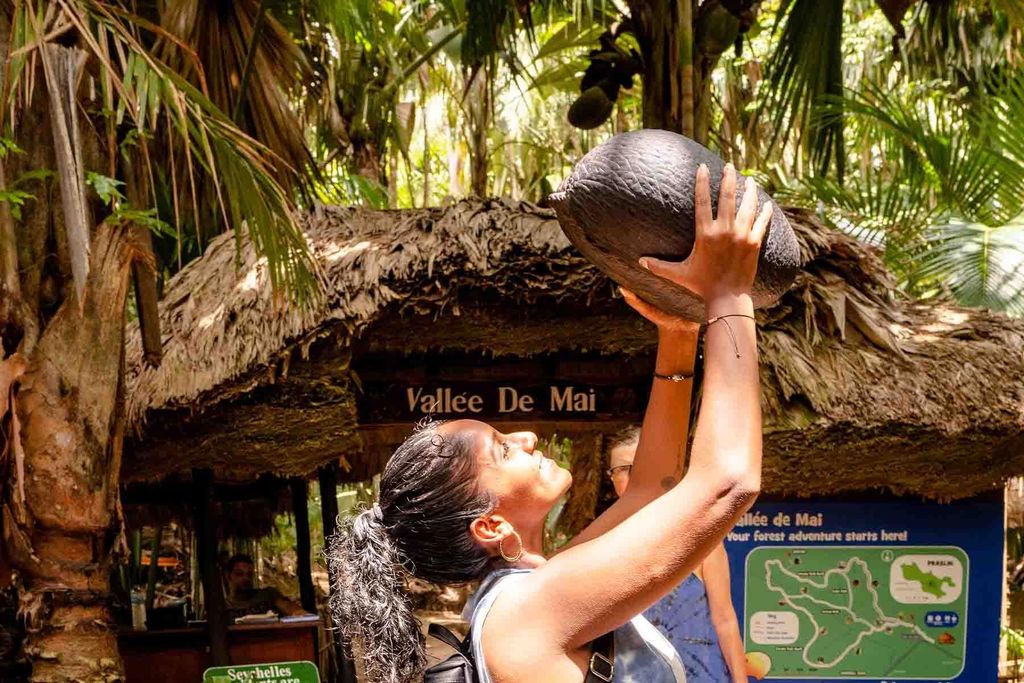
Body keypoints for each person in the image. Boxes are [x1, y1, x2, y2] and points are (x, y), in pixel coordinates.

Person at [330, 163, 770, 683]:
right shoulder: (523, 614)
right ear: (491, 525)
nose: (527, 437)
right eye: (502, 449)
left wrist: (678, 336)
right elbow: (727, 483)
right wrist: (729, 295)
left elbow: (653, 489)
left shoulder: (538, 586)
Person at [608, 426, 749, 682]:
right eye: (623, 469)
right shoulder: (602, 544)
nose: (634, 476)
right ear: (612, 478)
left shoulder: (701, 536)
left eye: (641, 466)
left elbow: (725, 620)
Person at [222, 554, 307, 619]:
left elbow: (288, 607)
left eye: (249, 574)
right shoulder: (224, 606)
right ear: (228, 576)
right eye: (239, 574)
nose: (246, 578)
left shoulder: (268, 594)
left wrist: (298, 612)